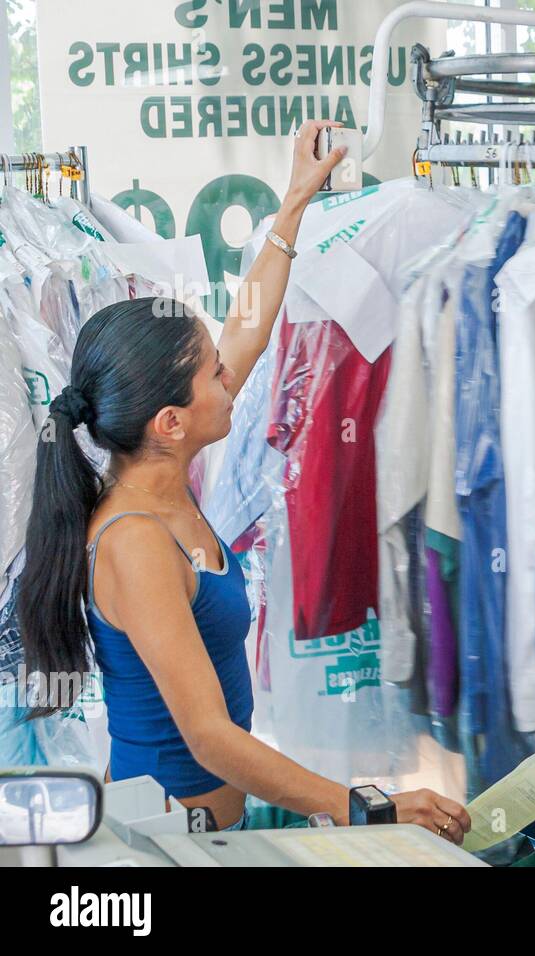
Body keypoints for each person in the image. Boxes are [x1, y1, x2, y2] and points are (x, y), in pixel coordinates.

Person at [17, 120, 472, 841]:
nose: (233, 375)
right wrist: (364, 806)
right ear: (170, 421)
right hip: (165, 840)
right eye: (214, 375)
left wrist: (295, 200)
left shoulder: (162, 480)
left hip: (209, 826)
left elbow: (248, 330)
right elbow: (208, 737)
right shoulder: (135, 540)